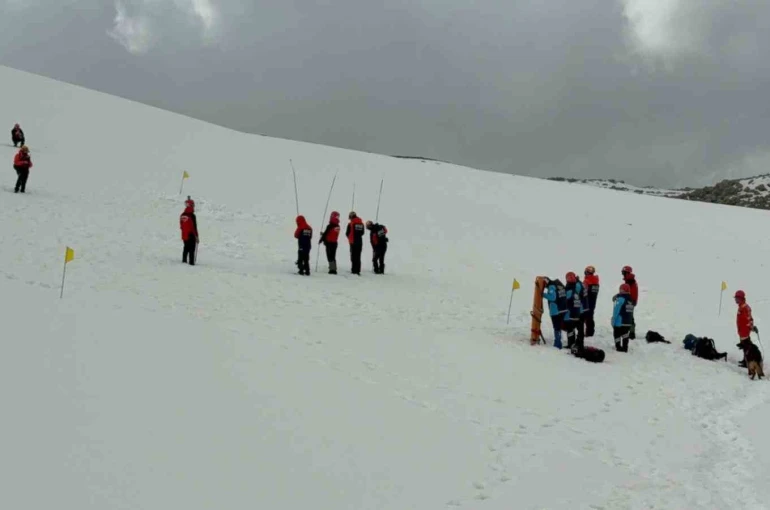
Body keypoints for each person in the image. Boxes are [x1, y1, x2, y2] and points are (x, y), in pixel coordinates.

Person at [542, 276, 568, 349]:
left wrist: (542, 294)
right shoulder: (559, 284)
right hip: (563, 308)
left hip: (556, 310)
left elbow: (552, 297)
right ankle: (559, 341)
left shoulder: (551, 286)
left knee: (556, 327)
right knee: (559, 326)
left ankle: (557, 343)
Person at [735, 290, 757, 368]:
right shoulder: (741, 306)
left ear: (741, 298)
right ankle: (745, 360)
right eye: (735, 298)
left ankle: (748, 361)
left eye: (737, 298)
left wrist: (752, 327)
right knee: (744, 347)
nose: (736, 300)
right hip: (741, 331)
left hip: (744, 331)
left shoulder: (745, 308)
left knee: (746, 347)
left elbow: (749, 318)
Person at [564, 272, 584, 352]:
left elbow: (565, 302)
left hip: (571, 315)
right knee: (580, 329)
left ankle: (571, 344)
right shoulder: (576, 291)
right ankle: (579, 343)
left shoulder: (568, 291)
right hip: (578, 314)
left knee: (570, 330)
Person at [612, 283, 635, 352]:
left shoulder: (621, 299)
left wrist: (613, 320)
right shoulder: (631, 300)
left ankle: (618, 347)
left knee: (616, 334)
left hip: (620, 322)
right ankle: (625, 347)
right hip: (628, 322)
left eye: (620, 289)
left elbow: (616, 310)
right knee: (625, 334)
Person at [582, 265, 600, 337]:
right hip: (593, 301)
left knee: (585, 317)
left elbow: (583, 292)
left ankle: (588, 333)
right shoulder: (596, 281)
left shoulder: (586, 281)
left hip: (586, 301)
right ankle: (590, 332)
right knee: (590, 316)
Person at [345, 211, 365, 275]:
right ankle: (358, 270)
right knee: (358, 256)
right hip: (360, 241)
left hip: (353, 242)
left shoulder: (350, 223)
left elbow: (347, 233)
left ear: (351, 217)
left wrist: (350, 238)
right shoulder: (361, 223)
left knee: (353, 256)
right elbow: (362, 233)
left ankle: (354, 270)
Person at [179, 200, 199, 265]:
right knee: (191, 250)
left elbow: (181, 226)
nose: (194, 206)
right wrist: (196, 236)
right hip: (191, 235)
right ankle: (191, 263)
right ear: (191, 205)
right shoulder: (192, 216)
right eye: (193, 205)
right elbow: (194, 227)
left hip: (184, 235)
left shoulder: (182, 215)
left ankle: (184, 261)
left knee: (186, 248)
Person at [621, 266, 639, 338]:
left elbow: (627, 292)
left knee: (629, 316)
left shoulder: (630, 281)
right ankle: (630, 331)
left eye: (623, 272)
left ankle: (631, 333)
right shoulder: (630, 280)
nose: (622, 274)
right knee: (629, 316)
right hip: (631, 300)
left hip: (630, 301)